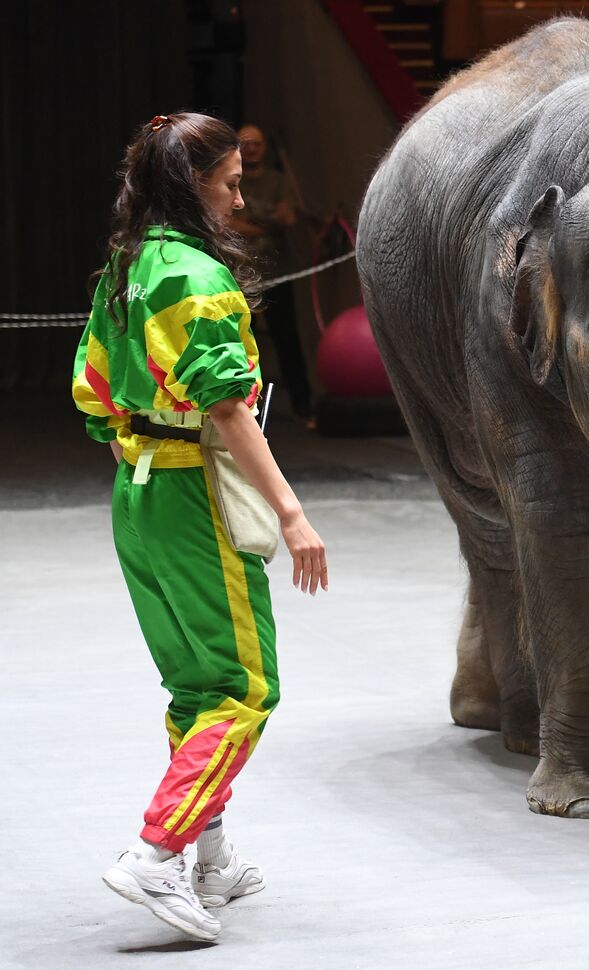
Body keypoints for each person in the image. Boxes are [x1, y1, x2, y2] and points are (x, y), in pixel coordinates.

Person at [72, 112, 329, 940]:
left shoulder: (128, 265)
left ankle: (209, 861)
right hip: (193, 495)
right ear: (192, 186)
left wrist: (134, 445)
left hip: (139, 495)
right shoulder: (193, 276)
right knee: (246, 689)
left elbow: (93, 386)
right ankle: (156, 853)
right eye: (227, 182)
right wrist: (291, 514)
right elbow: (224, 404)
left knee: (195, 688)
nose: (238, 194)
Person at [231, 123, 314, 419]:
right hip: (240, 276)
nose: (252, 148)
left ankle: (304, 407)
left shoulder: (278, 180)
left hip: (279, 272)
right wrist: (268, 221)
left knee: (287, 339)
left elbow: (288, 218)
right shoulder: (233, 178)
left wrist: (251, 223)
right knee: (241, 343)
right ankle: (242, 409)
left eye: (257, 143)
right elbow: (230, 224)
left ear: (265, 148)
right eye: (246, 143)